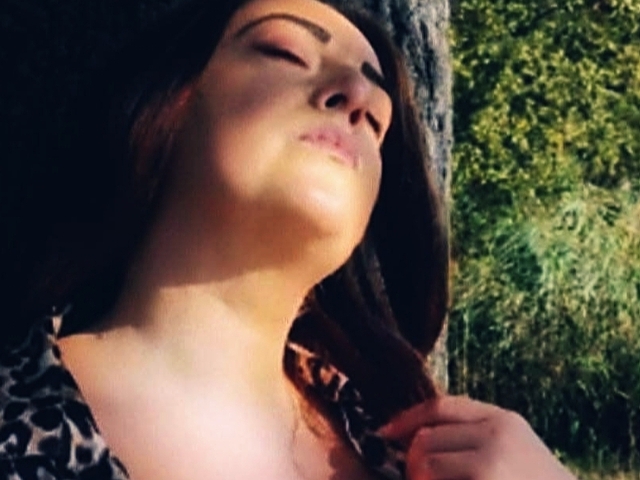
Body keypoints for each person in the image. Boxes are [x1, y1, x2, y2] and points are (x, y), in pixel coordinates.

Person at [0, 0, 577, 478]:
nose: (358, 96)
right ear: (168, 101)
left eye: (378, 119)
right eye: (287, 52)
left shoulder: (421, 456)